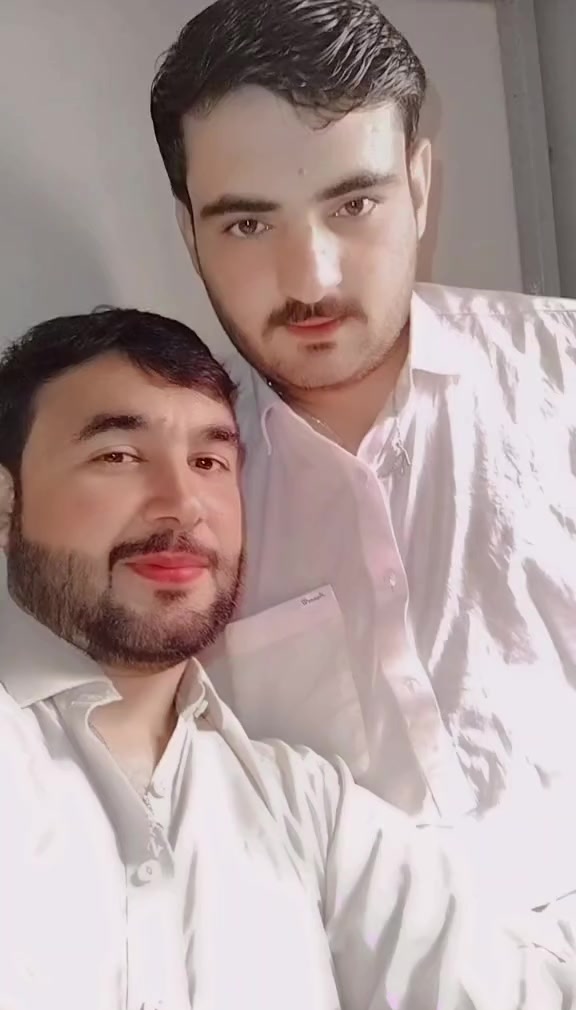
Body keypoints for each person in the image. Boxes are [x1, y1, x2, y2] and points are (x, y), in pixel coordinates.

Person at [1, 306, 575, 1010]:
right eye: (118, 455)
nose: (183, 504)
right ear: (6, 504)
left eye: (209, 462)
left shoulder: (311, 814)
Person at [149, 0, 576, 946]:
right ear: (189, 232)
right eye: (248, 224)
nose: (313, 277)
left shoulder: (562, 377)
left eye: (354, 204)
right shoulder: (177, 506)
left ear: (418, 180)